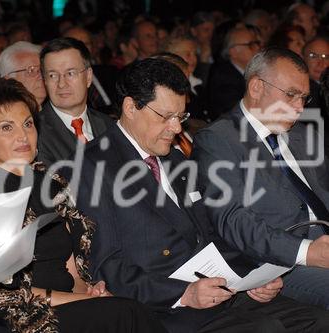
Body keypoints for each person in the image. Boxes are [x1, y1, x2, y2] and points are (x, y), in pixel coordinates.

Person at [71, 57, 329, 332]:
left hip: (217, 289)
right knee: (266, 328)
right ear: (131, 107)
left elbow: (213, 232)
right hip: (163, 305)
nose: (177, 128)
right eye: (166, 117)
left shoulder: (174, 160)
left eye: (180, 117)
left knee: (317, 320)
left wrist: (254, 276)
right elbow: (108, 267)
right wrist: (183, 293)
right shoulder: (94, 166)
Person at [0, 77, 165, 333]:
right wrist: (85, 300)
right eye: (6, 128)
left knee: (131, 307)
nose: (23, 135)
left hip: (68, 302)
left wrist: (89, 291)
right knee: (127, 313)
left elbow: (72, 268)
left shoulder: (50, 182)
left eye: (27, 124)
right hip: (16, 315)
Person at [192, 47, 329, 310]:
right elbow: (232, 219)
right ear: (256, 87)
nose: (299, 107)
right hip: (280, 264)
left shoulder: (304, 135)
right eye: (291, 95)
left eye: (304, 98)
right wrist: (306, 252)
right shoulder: (219, 140)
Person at [37, 37, 113, 167]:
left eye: (70, 73)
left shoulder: (109, 125)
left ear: (88, 77)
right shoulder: (36, 133)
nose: (61, 84)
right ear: (45, 81)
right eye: (52, 75)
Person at [207, 26, 261, 120]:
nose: (257, 48)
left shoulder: (256, 71)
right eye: (251, 45)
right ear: (234, 52)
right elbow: (237, 113)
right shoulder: (223, 78)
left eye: (257, 43)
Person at [0, 41, 47, 106]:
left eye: (42, 69)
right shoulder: (4, 114)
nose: (41, 76)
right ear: (9, 80)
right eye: (31, 70)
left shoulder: (54, 109)